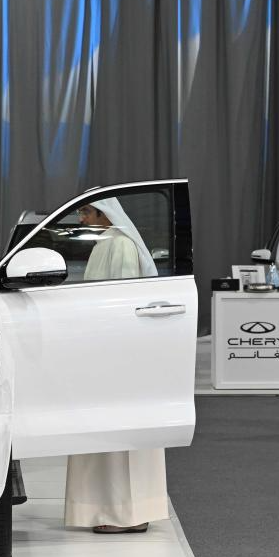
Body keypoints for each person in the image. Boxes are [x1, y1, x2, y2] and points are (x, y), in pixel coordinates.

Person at [64, 198, 166, 534]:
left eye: (85, 212)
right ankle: (109, 510)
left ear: (104, 214)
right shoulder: (105, 244)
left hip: (119, 356)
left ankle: (127, 514)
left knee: (122, 435)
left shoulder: (120, 245)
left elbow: (124, 305)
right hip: (103, 352)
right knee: (105, 435)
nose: (81, 219)